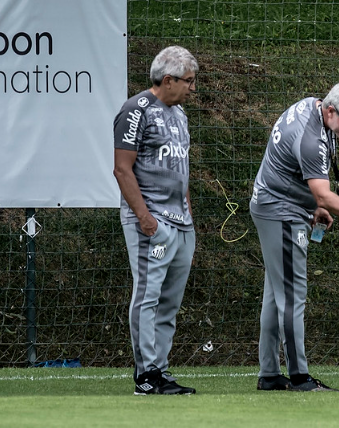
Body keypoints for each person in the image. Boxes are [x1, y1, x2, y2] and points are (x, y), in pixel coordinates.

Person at [250, 82, 339, 392]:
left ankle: (269, 374)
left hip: (276, 204)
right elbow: (325, 196)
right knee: (292, 295)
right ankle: (300, 377)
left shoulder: (312, 106)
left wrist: (312, 205)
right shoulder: (311, 138)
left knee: (275, 295)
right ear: (331, 111)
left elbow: (304, 182)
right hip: (280, 212)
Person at [113, 46, 199, 395]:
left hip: (181, 223)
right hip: (152, 221)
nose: (193, 88)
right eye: (189, 82)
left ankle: (160, 371)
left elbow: (182, 170)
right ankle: (145, 376)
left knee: (170, 303)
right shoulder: (136, 109)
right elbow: (122, 168)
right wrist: (146, 219)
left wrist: (189, 214)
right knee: (147, 296)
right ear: (168, 79)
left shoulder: (180, 115)